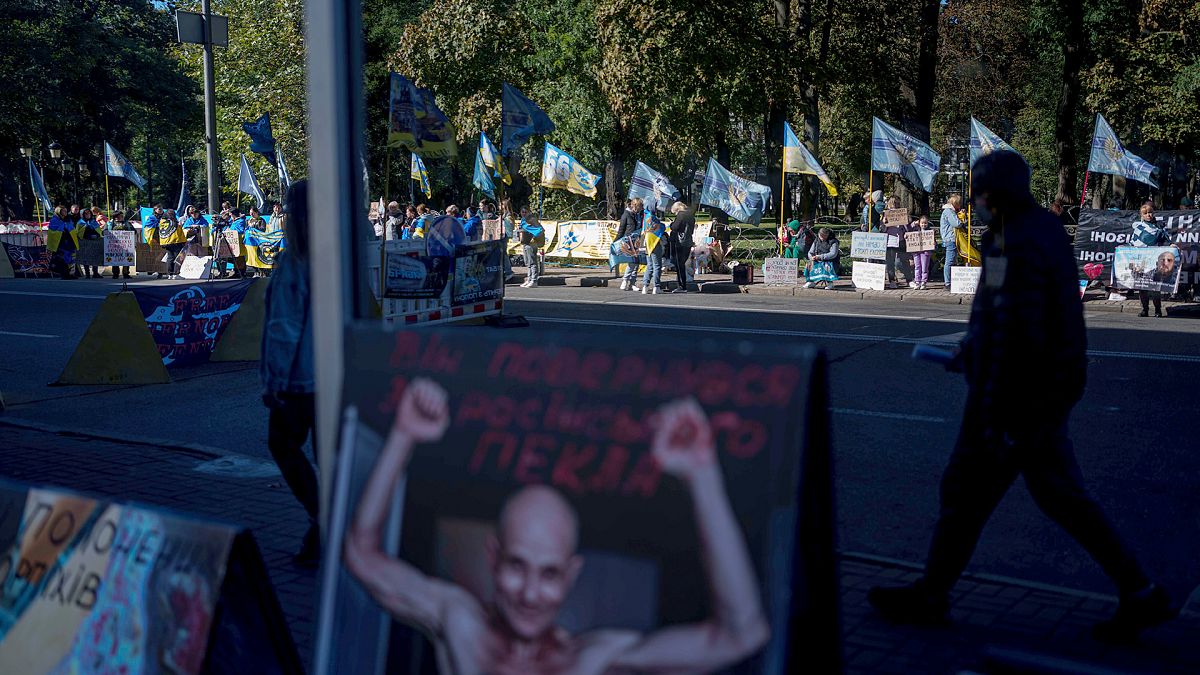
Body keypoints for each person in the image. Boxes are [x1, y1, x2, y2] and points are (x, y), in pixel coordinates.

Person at [867, 150, 1175, 643]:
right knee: (1049, 496)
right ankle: (1139, 592)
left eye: (982, 194)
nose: (978, 203)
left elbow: (1017, 326)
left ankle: (933, 595)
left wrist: (993, 404)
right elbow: (998, 314)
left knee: (974, 493)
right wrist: (974, 347)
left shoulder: (1014, 239)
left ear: (995, 194)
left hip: (1017, 395)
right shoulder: (1036, 230)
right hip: (1038, 389)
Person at [345, 386, 770, 675]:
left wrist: (701, 474)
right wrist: (404, 435)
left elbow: (740, 632)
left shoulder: (592, 659)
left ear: (571, 574)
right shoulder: (460, 623)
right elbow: (362, 555)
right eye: (517, 566)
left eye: (549, 574)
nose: (530, 594)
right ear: (493, 558)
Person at [260, 180, 320, 567]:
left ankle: (323, 521)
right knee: (329, 457)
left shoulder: (295, 261)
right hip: (337, 374)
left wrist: (274, 381)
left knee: (282, 445)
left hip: (300, 380)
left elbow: (284, 328)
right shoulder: (339, 256)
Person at [1130, 203, 1171, 317]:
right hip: (1141, 260)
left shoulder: (1160, 226)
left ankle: (1158, 310)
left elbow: (1166, 239)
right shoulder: (1139, 228)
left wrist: (1171, 244)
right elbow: (1133, 242)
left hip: (1155, 260)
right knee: (1142, 286)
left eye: (1150, 212)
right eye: (1145, 213)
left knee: (1155, 286)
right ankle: (1145, 309)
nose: (1148, 215)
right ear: (1141, 215)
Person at [616, 198, 644, 291]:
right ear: (635, 206)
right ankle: (625, 280)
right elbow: (621, 229)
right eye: (640, 207)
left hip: (637, 240)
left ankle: (632, 283)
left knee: (636, 262)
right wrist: (616, 240)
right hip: (628, 241)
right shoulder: (626, 214)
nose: (641, 209)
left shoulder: (639, 215)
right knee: (632, 262)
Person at [636, 208, 666, 295]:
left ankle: (645, 286)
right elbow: (660, 227)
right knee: (657, 265)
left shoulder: (645, 217)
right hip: (653, 243)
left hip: (646, 243)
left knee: (649, 265)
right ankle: (656, 287)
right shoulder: (652, 217)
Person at [669, 201, 696, 293]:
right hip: (688, 241)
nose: (675, 214)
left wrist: (671, 224)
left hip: (679, 242)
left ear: (677, 209)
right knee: (682, 263)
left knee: (679, 264)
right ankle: (682, 285)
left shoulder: (681, 215)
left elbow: (675, 227)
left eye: (675, 212)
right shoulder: (690, 215)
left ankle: (682, 286)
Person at [883, 196, 909, 288]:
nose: (896, 206)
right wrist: (884, 223)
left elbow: (907, 228)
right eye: (894, 203)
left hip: (901, 240)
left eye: (898, 204)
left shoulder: (902, 213)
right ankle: (892, 280)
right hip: (890, 241)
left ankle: (909, 279)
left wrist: (906, 227)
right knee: (890, 262)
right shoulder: (885, 214)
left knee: (903, 261)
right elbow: (882, 230)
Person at [47, 206, 79, 279]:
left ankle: (71, 274)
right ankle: (64, 274)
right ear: (59, 211)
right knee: (62, 259)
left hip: (70, 241)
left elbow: (72, 229)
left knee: (71, 258)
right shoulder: (54, 220)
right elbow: (52, 231)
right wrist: (62, 226)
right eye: (63, 211)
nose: (65, 212)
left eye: (65, 210)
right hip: (60, 242)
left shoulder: (68, 219)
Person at [518, 207, 545, 288]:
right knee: (527, 262)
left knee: (532, 262)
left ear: (529, 212)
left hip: (531, 242)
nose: (523, 213)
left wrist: (534, 236)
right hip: (525, 242)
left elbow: (540, 229)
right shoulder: (523, 220)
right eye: (522, 212)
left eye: (525, 212)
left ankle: (534, 280)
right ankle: (529, 279)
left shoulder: (532, 219)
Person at [940, 194, 963, 287]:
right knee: (949, 261)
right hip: (951, 238)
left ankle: (949, 281)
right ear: (955, 203)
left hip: (949, 238)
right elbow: (956, 223)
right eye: (959, 203)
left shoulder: (949, 211)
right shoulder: (949, 211)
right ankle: (948, 282)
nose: (960, 205)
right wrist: (963, 220)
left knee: (952, 260)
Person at [156, 207, 187, 279]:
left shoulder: (162, 222)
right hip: (175, 242)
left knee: (170, 258)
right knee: (177, 258)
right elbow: (179, 233)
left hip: (166, 243)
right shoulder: (174, 222)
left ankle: (170, 274)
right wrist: (184, 241)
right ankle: (176, 274)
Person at [75, 207, 104, 278]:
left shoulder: (93, 222)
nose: (88, 214)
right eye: (86, 213)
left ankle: (95, 273)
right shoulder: (80, 223)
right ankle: (87, 274)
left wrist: (97, 235)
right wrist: (87, 236)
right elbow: (78, 233)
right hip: (85, 242)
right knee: (86, 258)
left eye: (89, 213)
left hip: (94, 242)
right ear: (82, 214)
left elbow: (99, 231)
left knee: (95, 257)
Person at [907, 214, 933, 290]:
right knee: (917, 267)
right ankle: (917, 281)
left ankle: (923, 282)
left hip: (925, 252)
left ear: (927, 223)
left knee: (924, 267)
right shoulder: (915, 230)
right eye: (922, 223)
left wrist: (933, 243)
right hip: (916, 252)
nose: (923, 224)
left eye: (925, 223)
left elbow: (933, 242)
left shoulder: (930, 232)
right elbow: (908, 229)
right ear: (919, 223)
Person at [108, 210, 134, 279]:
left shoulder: (127, 223)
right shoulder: (110, 223)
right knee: (115, 259)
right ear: (115, 217)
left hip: (126, 245)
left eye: (121, 216)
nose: (120, 217)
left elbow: (134, 231)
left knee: (125, 259)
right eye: (118, 216)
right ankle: (115, 274)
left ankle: (126, 273)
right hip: (114, 245)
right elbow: (105, 231)